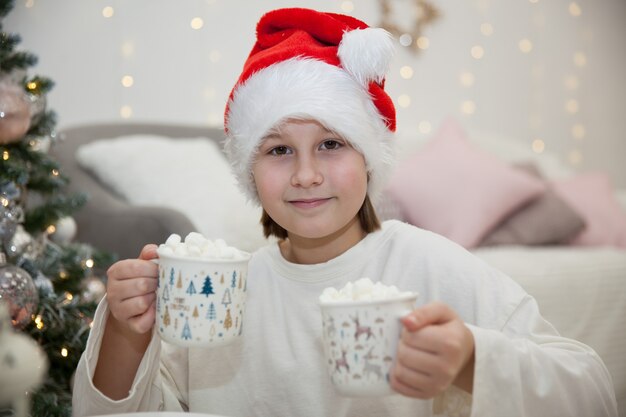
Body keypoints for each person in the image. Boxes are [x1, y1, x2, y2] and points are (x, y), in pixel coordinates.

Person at [72, 7, 618, 417]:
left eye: (331, 144)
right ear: (249, 172)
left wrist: (473, 357)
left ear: (369, 158)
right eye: (279, 149)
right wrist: (125, 330)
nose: (306, 174)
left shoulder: (429, 265)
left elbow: (590, 389)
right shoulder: (221, 296)